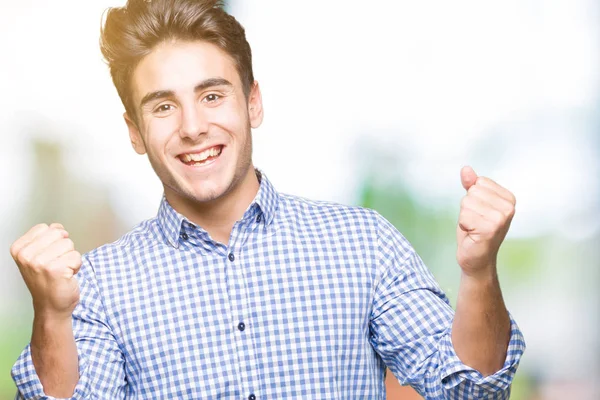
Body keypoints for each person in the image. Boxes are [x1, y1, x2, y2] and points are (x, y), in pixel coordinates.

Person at [10, 0, 525, 399]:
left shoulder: (363, 244)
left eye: (213, 96)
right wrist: (51, 317)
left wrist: (479, 273)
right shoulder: (97, 288)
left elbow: (468, 390)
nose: (193, 127)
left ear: (253, 102)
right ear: (135, 132)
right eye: (164, 106)